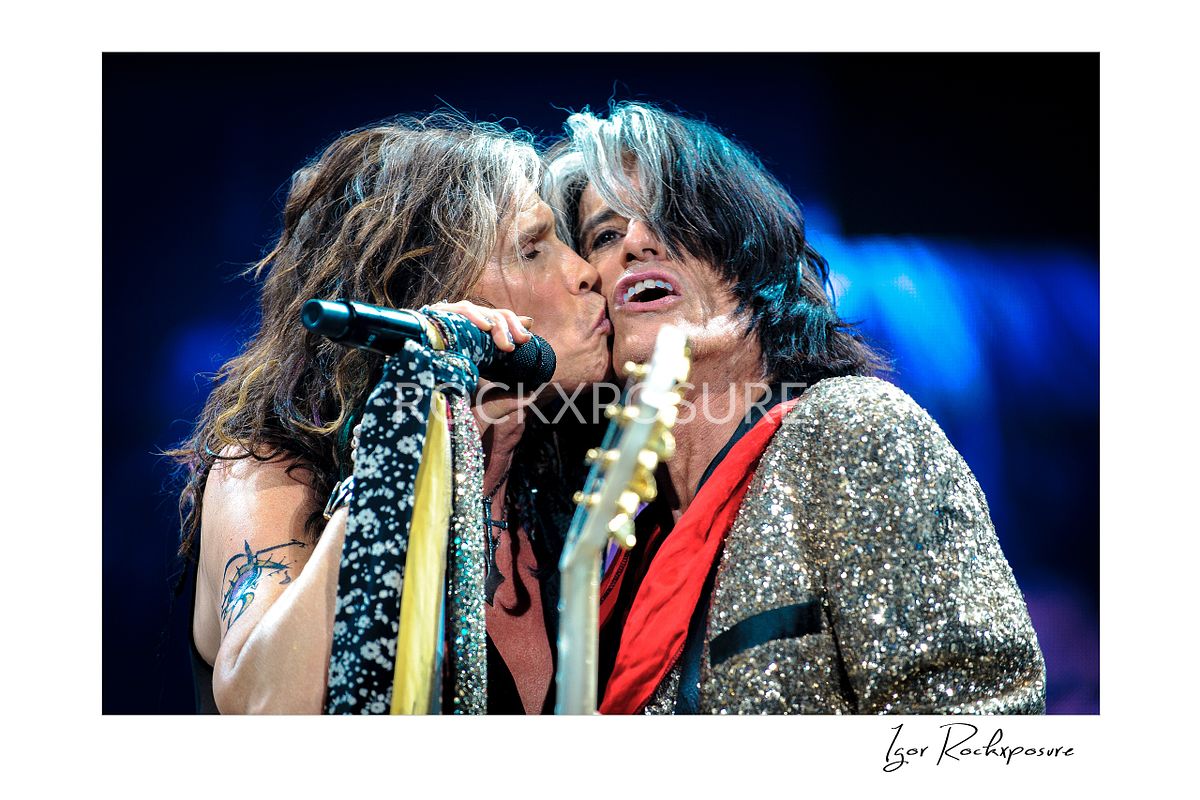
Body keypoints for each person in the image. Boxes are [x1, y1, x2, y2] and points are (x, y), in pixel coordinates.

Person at [543, 102, 1047, 714]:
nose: (636, 244)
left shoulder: (853, 431)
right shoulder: (612, 544)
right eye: (605, 235)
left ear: (748, 255)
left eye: (669, 216)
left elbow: (976, 725)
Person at [171, 112, 609, 714]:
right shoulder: (269, 469)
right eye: (532, 250)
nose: (584, 271)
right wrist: (408, 441)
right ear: (432, 294)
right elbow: (264, 706)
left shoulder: (562, 476)